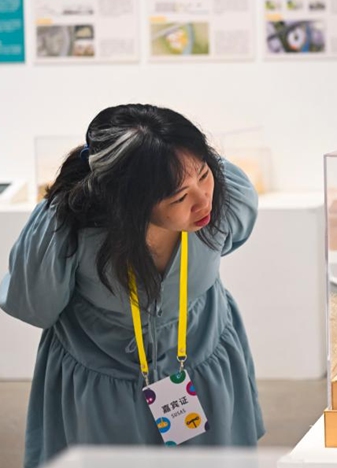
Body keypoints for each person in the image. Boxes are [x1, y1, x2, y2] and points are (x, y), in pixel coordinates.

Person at [0, 104, 265, 467]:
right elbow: (35, 305)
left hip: (199, 364)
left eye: (203, 174)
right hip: (102, 388)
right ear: (129, 206)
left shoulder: (222, 193)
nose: (204, 201)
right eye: (178, 197)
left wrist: (195, 183)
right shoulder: (69, 227)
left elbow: (235, 230)